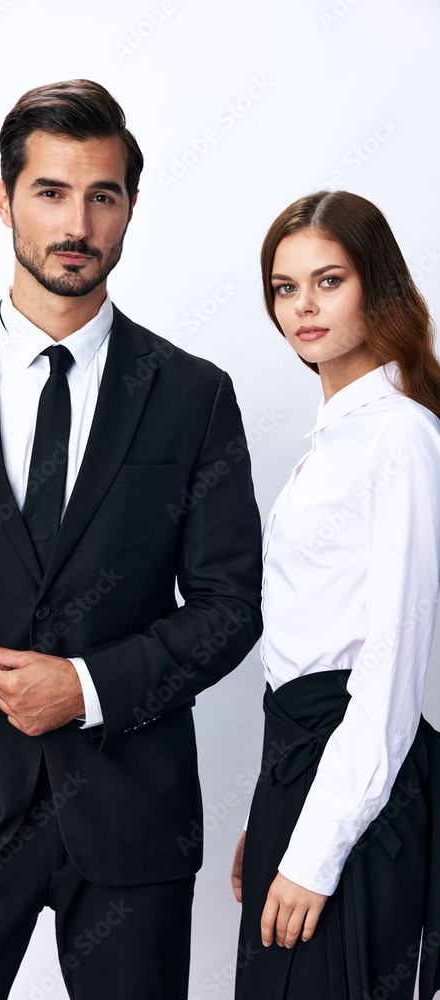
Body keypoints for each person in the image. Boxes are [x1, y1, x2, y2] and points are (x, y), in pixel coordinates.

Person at [0, 79, 263, 1000]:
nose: (77, 222)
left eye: (101, 195)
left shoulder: (192, 394)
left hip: (130, 805)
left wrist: (87, 687)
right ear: (4, 198)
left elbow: (231, 608)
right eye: (51, 191)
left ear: (130, 209)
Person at [231, 189, 440, 1000]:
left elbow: (389, 665)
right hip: (305, 774)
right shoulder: (336, 441)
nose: (302, 307)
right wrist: (276, 808)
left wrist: (315, 848)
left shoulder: (400, 436)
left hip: (358, 789)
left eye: (328, 280)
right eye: (284, 288)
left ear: (375, 287)